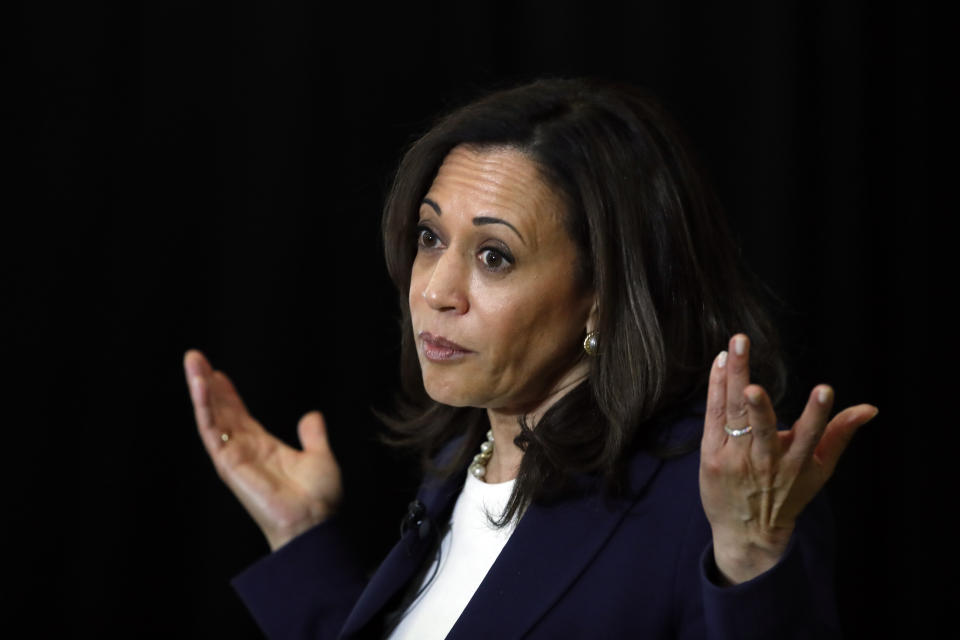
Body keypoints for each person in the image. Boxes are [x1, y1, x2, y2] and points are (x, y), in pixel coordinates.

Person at [183, 78, 877, 639]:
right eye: (430, 237)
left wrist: (752, 562)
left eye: (494, 256)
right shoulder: (464, 462)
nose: (434, 290)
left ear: (602, 293)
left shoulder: (705, 502)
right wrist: (299, 534)